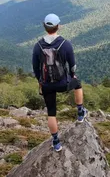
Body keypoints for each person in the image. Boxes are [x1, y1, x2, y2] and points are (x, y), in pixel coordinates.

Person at [32, 13, 88, 152]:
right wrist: (72, 75)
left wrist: (40, 81)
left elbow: (35, 68)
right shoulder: (65, 44)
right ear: (58, 26)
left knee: (51, 113)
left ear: (44, 27)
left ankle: (56, 142)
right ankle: (80, 113)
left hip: (46, 84)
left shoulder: (38, 46)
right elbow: (72, 65)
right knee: (78, 84)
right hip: (63, 83)